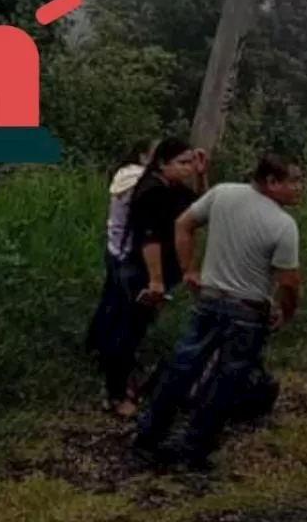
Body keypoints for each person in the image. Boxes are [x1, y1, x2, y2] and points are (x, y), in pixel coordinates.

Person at [132, 152, 304, 471]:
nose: (299, 188)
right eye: (293, 181)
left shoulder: (223, 193)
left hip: (209, 301)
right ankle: (193, 449)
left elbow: (184, 224)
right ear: (271, 181)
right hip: (247, 312)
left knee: (182, 368)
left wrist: (189, 270)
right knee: (226, 383)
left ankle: (148, 437)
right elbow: (289, 282)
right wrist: (287, 311)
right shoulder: (283, 225)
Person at [95, 137, 206, 418]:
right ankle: (115, 394)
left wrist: (202, 175)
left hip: (150, 269)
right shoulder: (152, 191)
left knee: (133, 326)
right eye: (183, 163)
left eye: (191, 162)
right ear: (161, 163)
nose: (188, 168)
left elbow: (200, 209)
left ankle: (121, 382)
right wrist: (155, 280)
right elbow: (150, 239)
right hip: (139, 270)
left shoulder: (171, 186)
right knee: (128, 329)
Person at [85, 137, 157, 364]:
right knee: (122, 309)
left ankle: (94, 346)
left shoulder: (124, 176)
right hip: (126, 253)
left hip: (114, 248)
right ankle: (108, 356)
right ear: (143, 156)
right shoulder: (139, 181)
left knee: (110, 301)